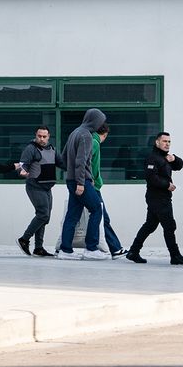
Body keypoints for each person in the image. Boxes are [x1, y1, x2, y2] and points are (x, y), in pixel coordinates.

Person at [127, 131, 183, 265]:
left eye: (169, 142)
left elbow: (179, 166)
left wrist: (174, 158)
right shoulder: (152, 158)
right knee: (169, 226)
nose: (167, 144)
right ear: (157, 142)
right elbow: (151, 178)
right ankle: (175, 256)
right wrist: (167, 185)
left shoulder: (165, 158)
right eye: (164, 141)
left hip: (161, 197)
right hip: (157, 197)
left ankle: (133, 252)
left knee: (150, 225)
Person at [58, 108, 109, 261]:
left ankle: (65, 250)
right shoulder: (86, 135)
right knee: (96, 209)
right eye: (100, 120)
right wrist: (81, 182)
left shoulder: (75, 132)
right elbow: (81, 161)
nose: (102, 123)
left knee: (72, 215)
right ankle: (91, 248)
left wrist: (72, 175)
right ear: (95, 121)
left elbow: (63, 158)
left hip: (72, 180)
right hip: (81, 182)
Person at [15, 126, 66, 257]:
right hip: (34, 186)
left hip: (47, 188)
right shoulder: (31, 148)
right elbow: (23, 164)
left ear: (49, 137)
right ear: (36, 135)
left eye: (44, 136)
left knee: (44, 217)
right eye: (39, 136)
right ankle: (24, 239)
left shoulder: (52, 149)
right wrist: (22, 170)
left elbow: (62, 164)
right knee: (43, 214)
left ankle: (38, 248)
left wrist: (76, 168)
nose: (41, 139)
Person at [92, 122, 129, 259]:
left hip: (89, 185)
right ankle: (114, 248)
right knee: (102, 217)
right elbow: (89, 164)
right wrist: (95, 180)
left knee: (74, 215)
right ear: (105, 135)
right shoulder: (94, 143)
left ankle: (63, 247)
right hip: (92, 186)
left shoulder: (90, 140)